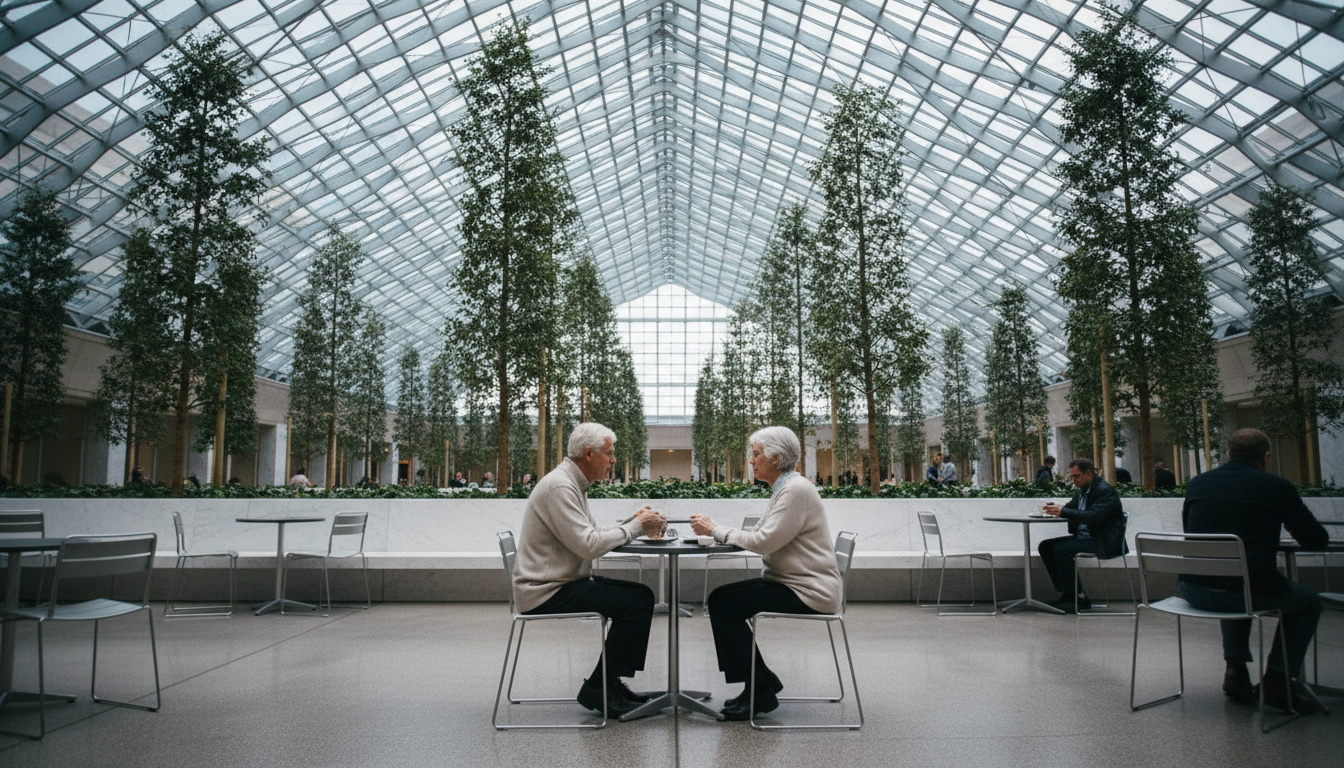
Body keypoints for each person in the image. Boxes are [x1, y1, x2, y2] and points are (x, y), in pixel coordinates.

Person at [690, 426, 843, 721]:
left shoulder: (795, 490)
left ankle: (759, 690)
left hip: (809, 591)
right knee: (721, 598)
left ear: (775, 457)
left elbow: (763, 542)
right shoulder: (787, 487)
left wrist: (715, 530)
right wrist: (720, 531)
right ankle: (761, 684)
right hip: (795, 583)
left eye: (756, 454)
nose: (751, 460)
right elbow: (762, 532)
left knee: (724, 604)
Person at [512, 422, 664, 718]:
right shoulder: (560, 486)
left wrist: (632, 521)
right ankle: (599, 687)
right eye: (609, 453)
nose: (613, 460)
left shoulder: (572, 483)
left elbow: (591, 533)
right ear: (588, 453)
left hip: (559, 581)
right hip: (545, 591)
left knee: (641, 595)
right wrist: (636, 527)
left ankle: (607, 684)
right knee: (636, 602)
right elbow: (589, 546)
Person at [1179, 428, 1327, 713]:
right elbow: (1315, 539)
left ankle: (1235, 671)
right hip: (1241, 592)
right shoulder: (1275, 486)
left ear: (1229, 454)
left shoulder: (1198, 483)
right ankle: (1278, 680)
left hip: (1191, 588)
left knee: (1233, 578)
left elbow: (1192, 530)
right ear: (1266, 457)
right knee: (1307, 602)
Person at [1038, 457, 1127, 612]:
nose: (1074, 480)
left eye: (1076, 476)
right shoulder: (1084, 491)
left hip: (1102, 541)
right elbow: (1071, 509)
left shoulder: (1104, 491)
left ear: (1089, 474)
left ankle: (1079, 597)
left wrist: (1063, 511)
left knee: (1061, 550)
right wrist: (1055, 508)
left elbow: (1094, 515)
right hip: (1086, 537)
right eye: (1072, 477)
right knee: (1045, 546)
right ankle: (1067, 594)